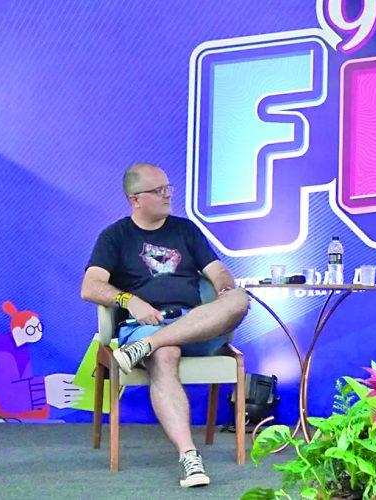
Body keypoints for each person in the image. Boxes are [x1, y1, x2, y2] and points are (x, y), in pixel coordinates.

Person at [80, 163, 249, 488]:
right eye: (158, 191)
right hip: (144, 324)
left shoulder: (186, 231)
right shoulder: (115, 236)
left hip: (195, 323)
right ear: (135, 199)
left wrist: (225, 288)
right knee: (167, 352)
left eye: (168, 187)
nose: (168, 194)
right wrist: (130, 301)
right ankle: (190, 457)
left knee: (240, 299)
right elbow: (90, 287)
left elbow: (217, 272)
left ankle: (148, 346)